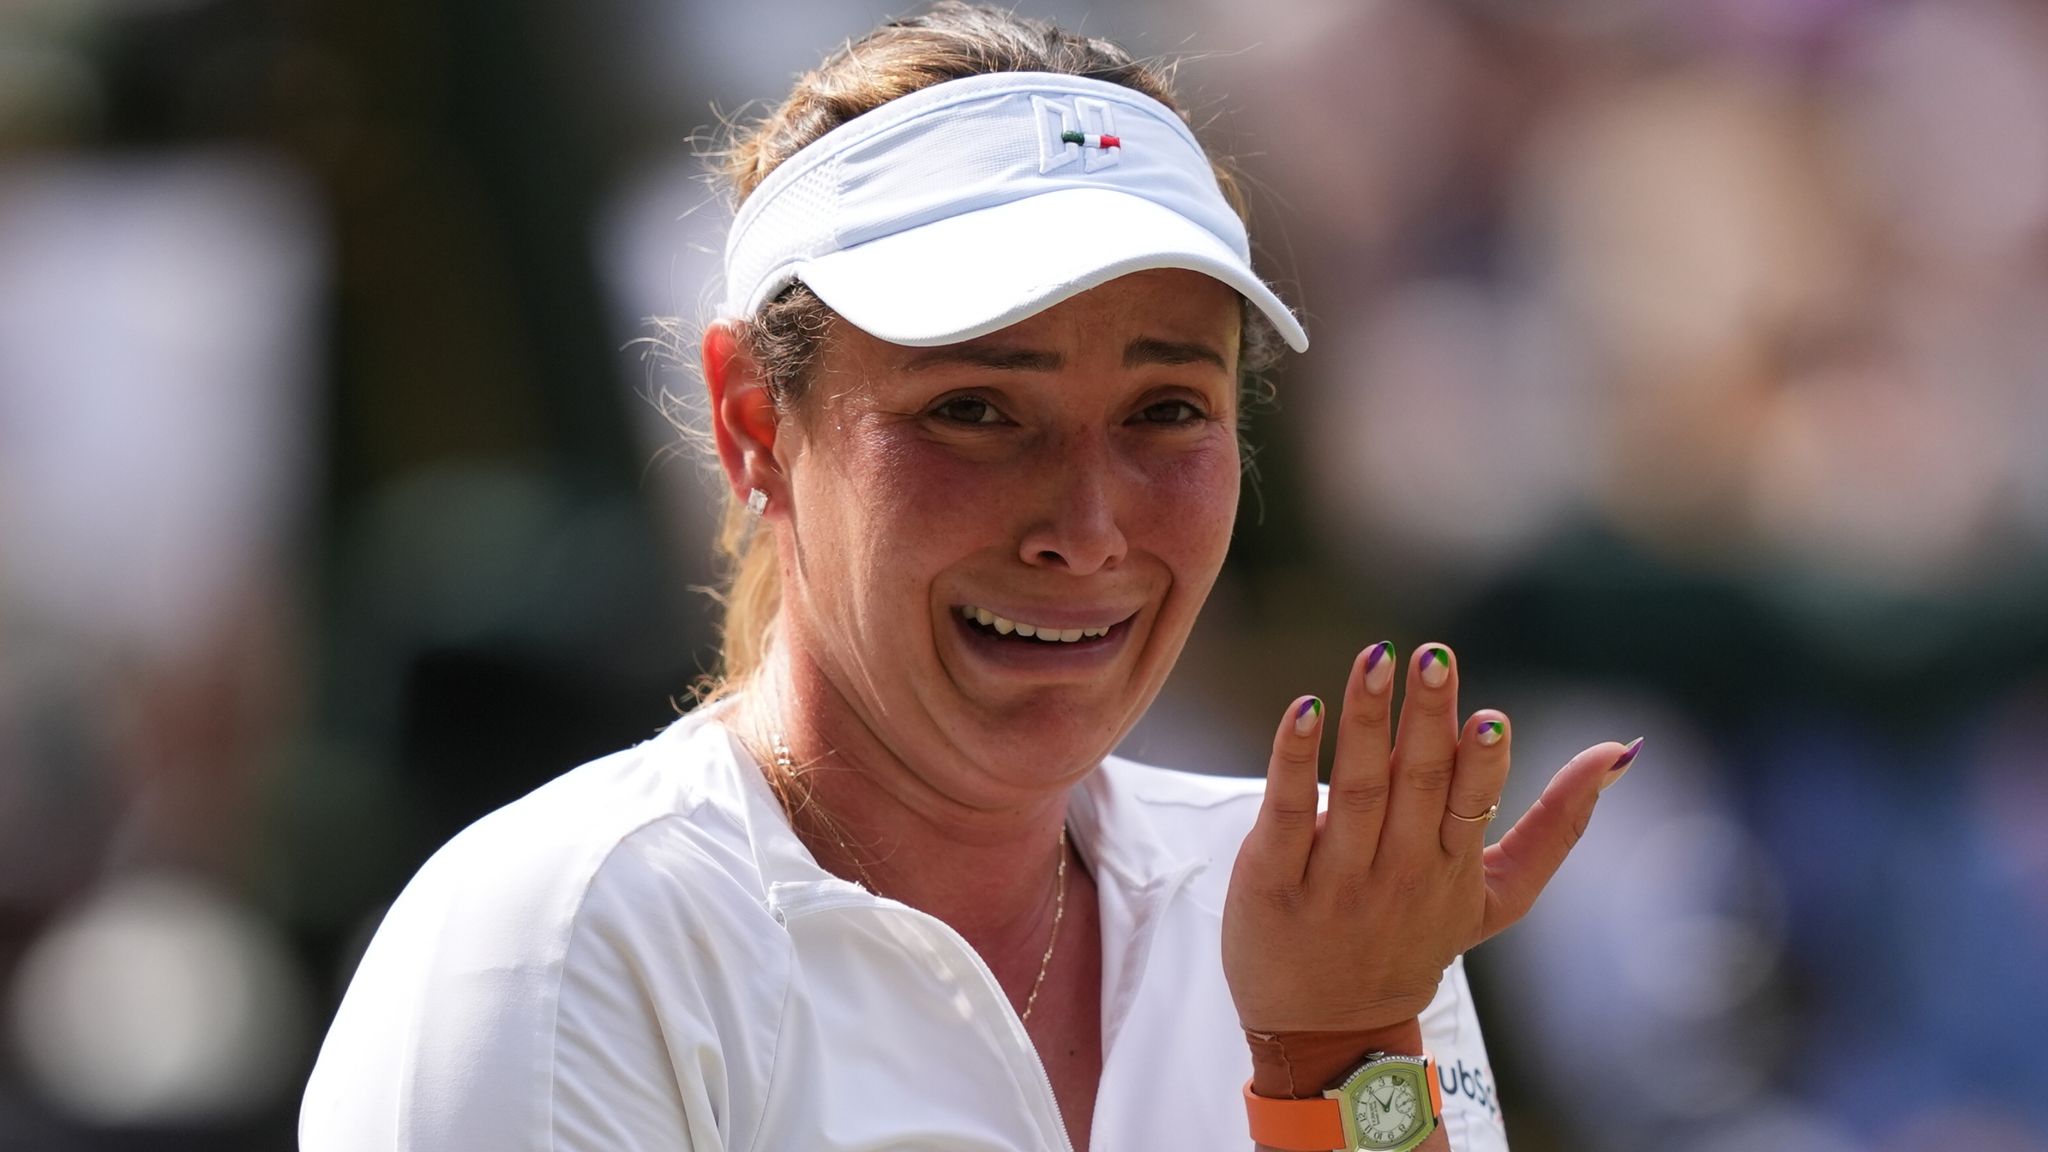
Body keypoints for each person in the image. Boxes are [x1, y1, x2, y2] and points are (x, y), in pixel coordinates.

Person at [299, 5, 1641, 1150]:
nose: (1088, 525)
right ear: (756, 427)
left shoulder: (1332, 914)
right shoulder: (553, 943)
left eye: (1168, 410)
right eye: (976, 412)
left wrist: (1345, 1050)